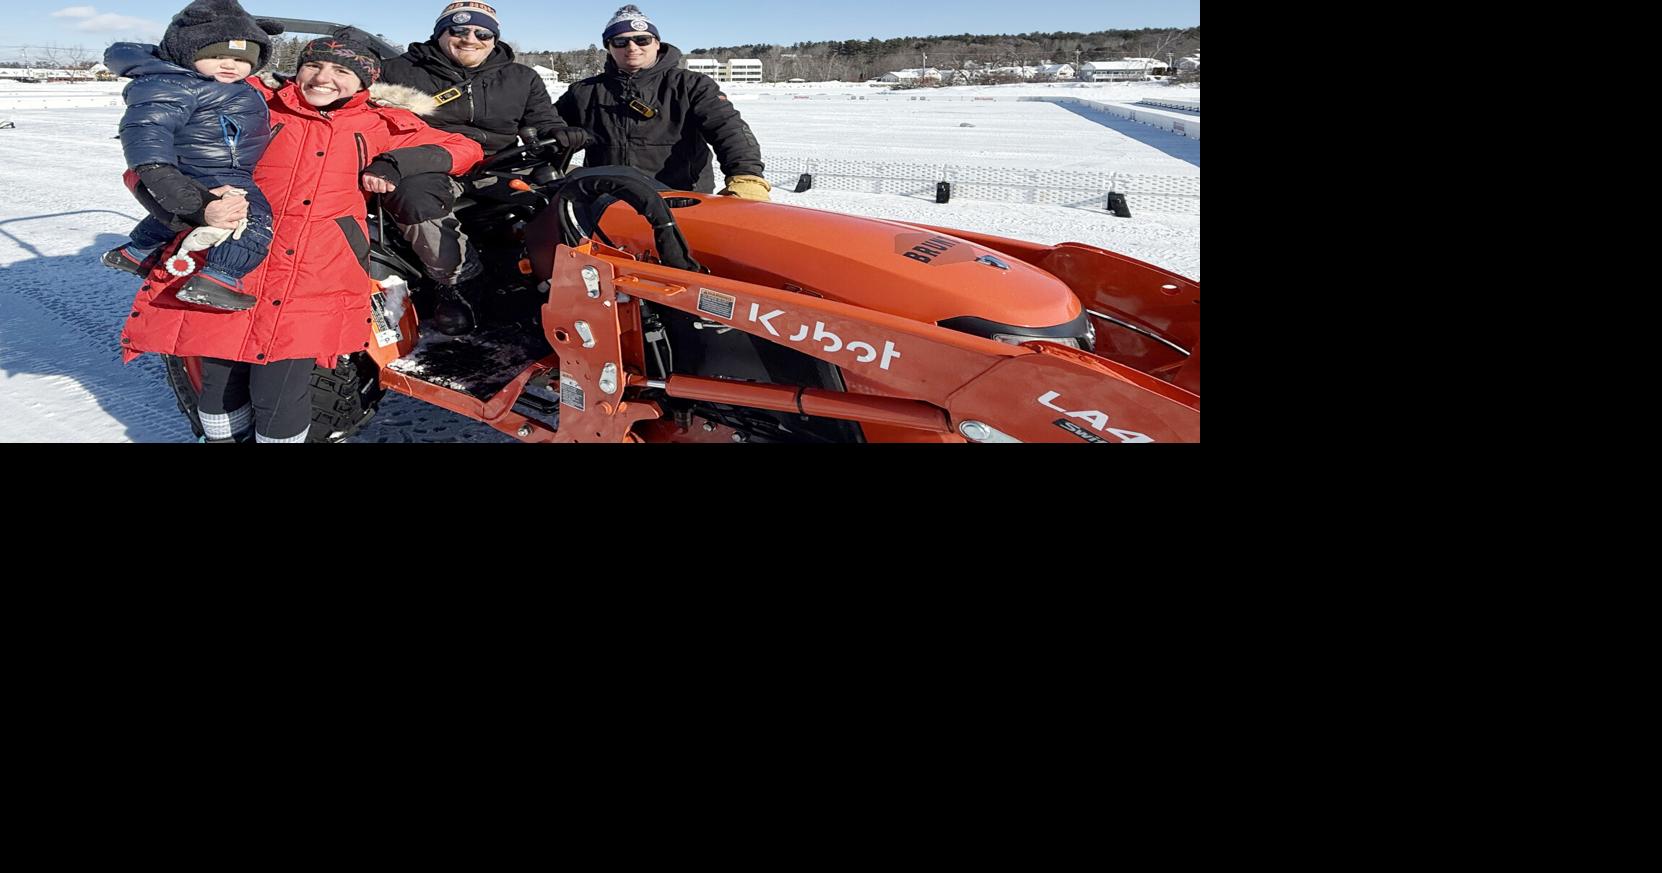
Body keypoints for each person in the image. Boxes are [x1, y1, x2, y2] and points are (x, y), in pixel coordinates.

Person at [116, 35, 484, 443]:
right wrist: (188, 201)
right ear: (298, 68)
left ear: (365, 82)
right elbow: (161, 147)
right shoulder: (251, 101)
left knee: (284, 390)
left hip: (314, 270)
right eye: (314, 66)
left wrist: (396, 161)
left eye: (342, 71)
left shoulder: (378, 122)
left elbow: (463, 147)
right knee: (219, 381)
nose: (324, 79)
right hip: (235, 261)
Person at [377, 1, 587, 335]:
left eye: (482, 32)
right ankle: (461, 284)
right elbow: (346, 85)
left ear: (494, 38)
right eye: (458, 30)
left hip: (499, 164)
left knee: (567, 196)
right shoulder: (398, 71)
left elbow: (544, 120)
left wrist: (558, 133)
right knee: (414, 196)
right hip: (430, 165)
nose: (469, 38)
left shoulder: (520, 77)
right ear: (440, 33)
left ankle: (567, 286)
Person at [101, 0, 281, 311]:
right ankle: (219, 278)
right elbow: (146, 131)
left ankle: (135, 252)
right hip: (210, 168)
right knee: (252, 215)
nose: (230, 65)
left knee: (177, 218)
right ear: (187, 53)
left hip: (220, 166)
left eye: (242, 59)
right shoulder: (176, 85)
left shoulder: (224, 85)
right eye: (217, 56)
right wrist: (159, 173)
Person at [556, 5, 769, 201]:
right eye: (620, 41)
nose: (632, 47)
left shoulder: (690, 85)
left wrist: (746, 175)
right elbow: (550, 127)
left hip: (680, 199)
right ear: (609, 47)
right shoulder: (584, 92)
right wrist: (558, 141)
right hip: (608, 201)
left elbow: (729, 129)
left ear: (657, 43)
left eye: (642, 40)